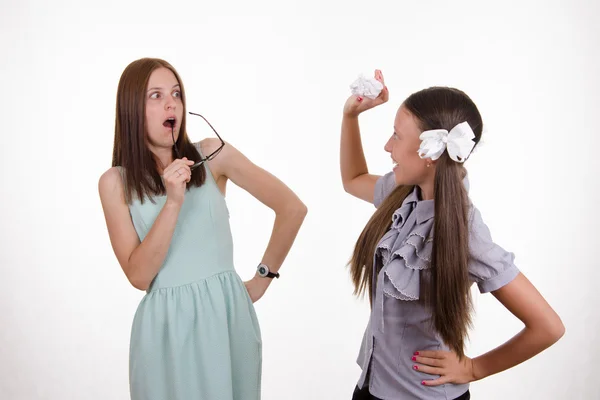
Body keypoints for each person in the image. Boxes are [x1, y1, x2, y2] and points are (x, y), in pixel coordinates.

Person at [340, 70, 565, 400]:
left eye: (397, 136)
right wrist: (350, 117)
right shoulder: (403, 192)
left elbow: (548, 326)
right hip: (371, 387)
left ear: (429, 154)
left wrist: (475, 368)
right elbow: (353, 178)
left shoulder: (465, 231)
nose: (388, 146)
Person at [98, 57, 307, 400]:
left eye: (176, 93)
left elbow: (291, 208)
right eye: (156, 95)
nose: (171, 104)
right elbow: (139, 276)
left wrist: (262, 279)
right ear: (132, 109)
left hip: (227, 320)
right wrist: (173, 201)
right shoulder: (115, 183)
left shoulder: (212, 156)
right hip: (165, 331)